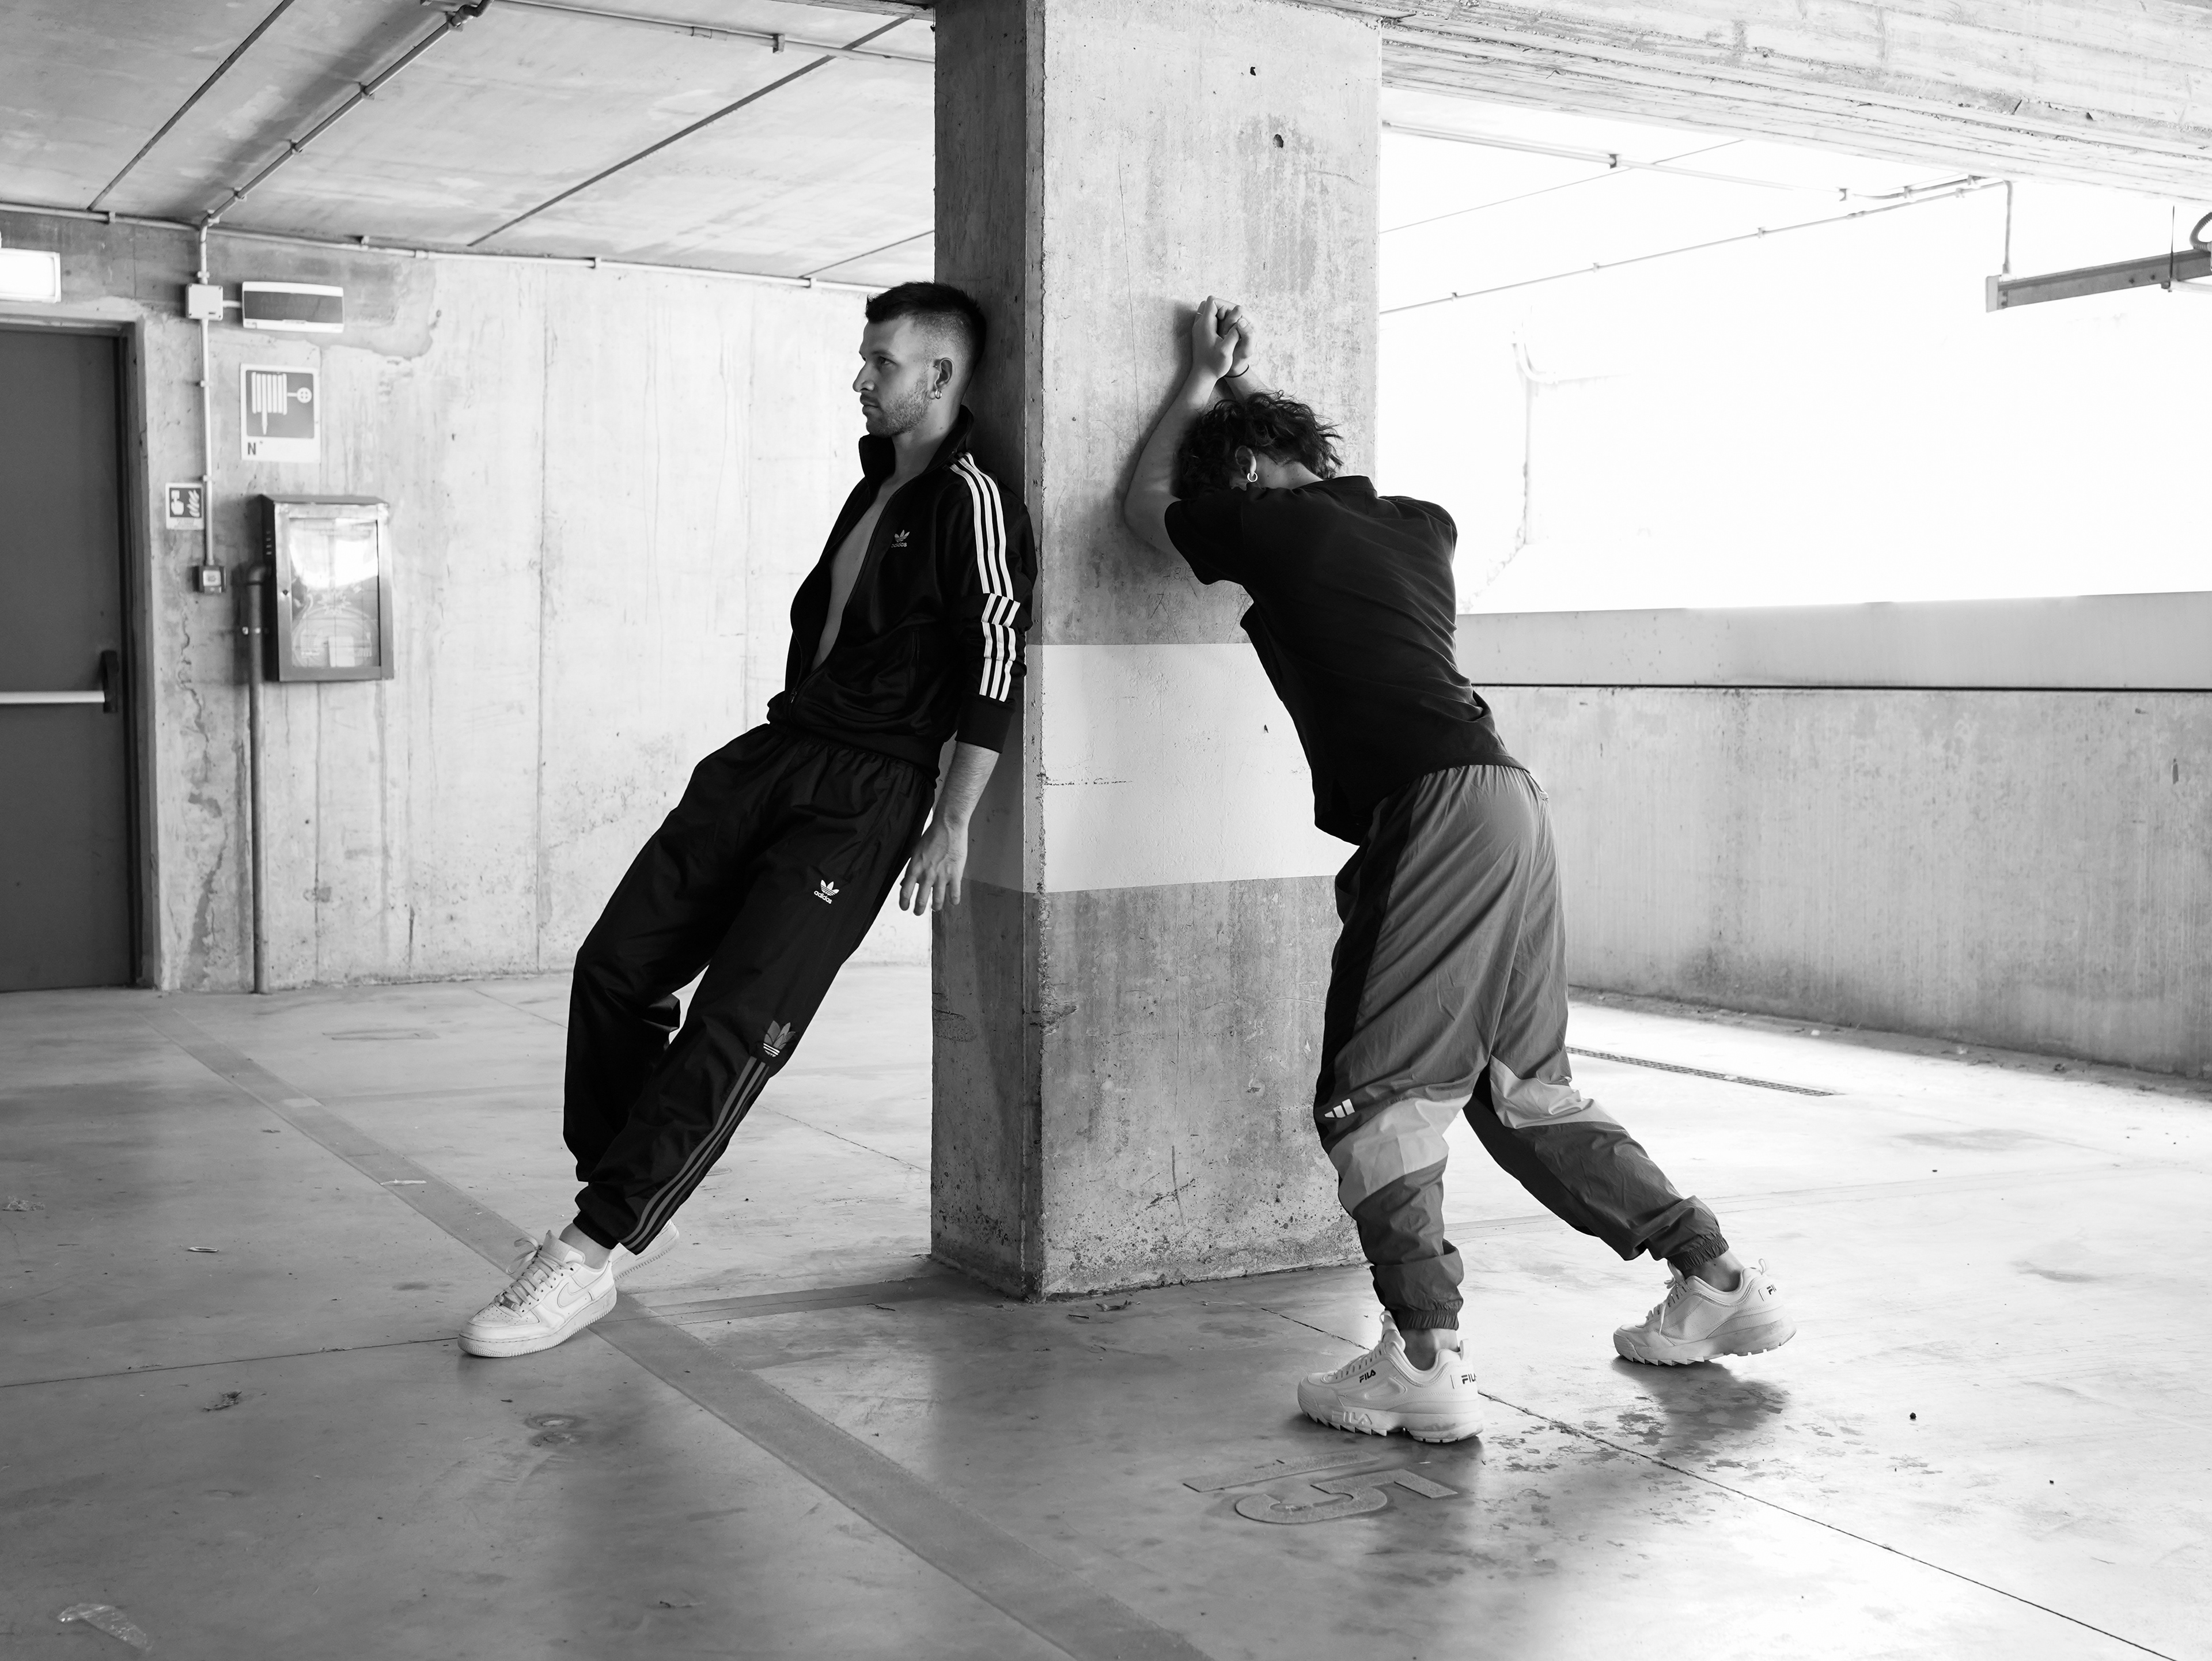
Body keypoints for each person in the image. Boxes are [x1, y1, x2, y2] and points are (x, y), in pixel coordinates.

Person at [1121, 298, 1793, 1443]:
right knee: (1525, 1092)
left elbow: (1144, 511)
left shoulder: (1270, 528)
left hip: (1433, 810)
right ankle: (1718, 1279)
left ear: (1242, 476)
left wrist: (1197, 380)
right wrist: (1244, 396)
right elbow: (1289, 484)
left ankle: (1424, 1358)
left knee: (1374, 1096)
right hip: (1507, 801)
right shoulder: (1419, 526)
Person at [460, 282, 1035, 1359]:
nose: (860, 378)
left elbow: (997, 657)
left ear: (940, 375)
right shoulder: (874, 485)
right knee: (615, 967)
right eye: (865, 358)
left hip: (867, 793)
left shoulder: (972, 496)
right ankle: (626, 1195)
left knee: (739, 1021)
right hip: (772, 755)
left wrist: (952, 819)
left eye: (881, 362)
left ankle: (590, 1249)